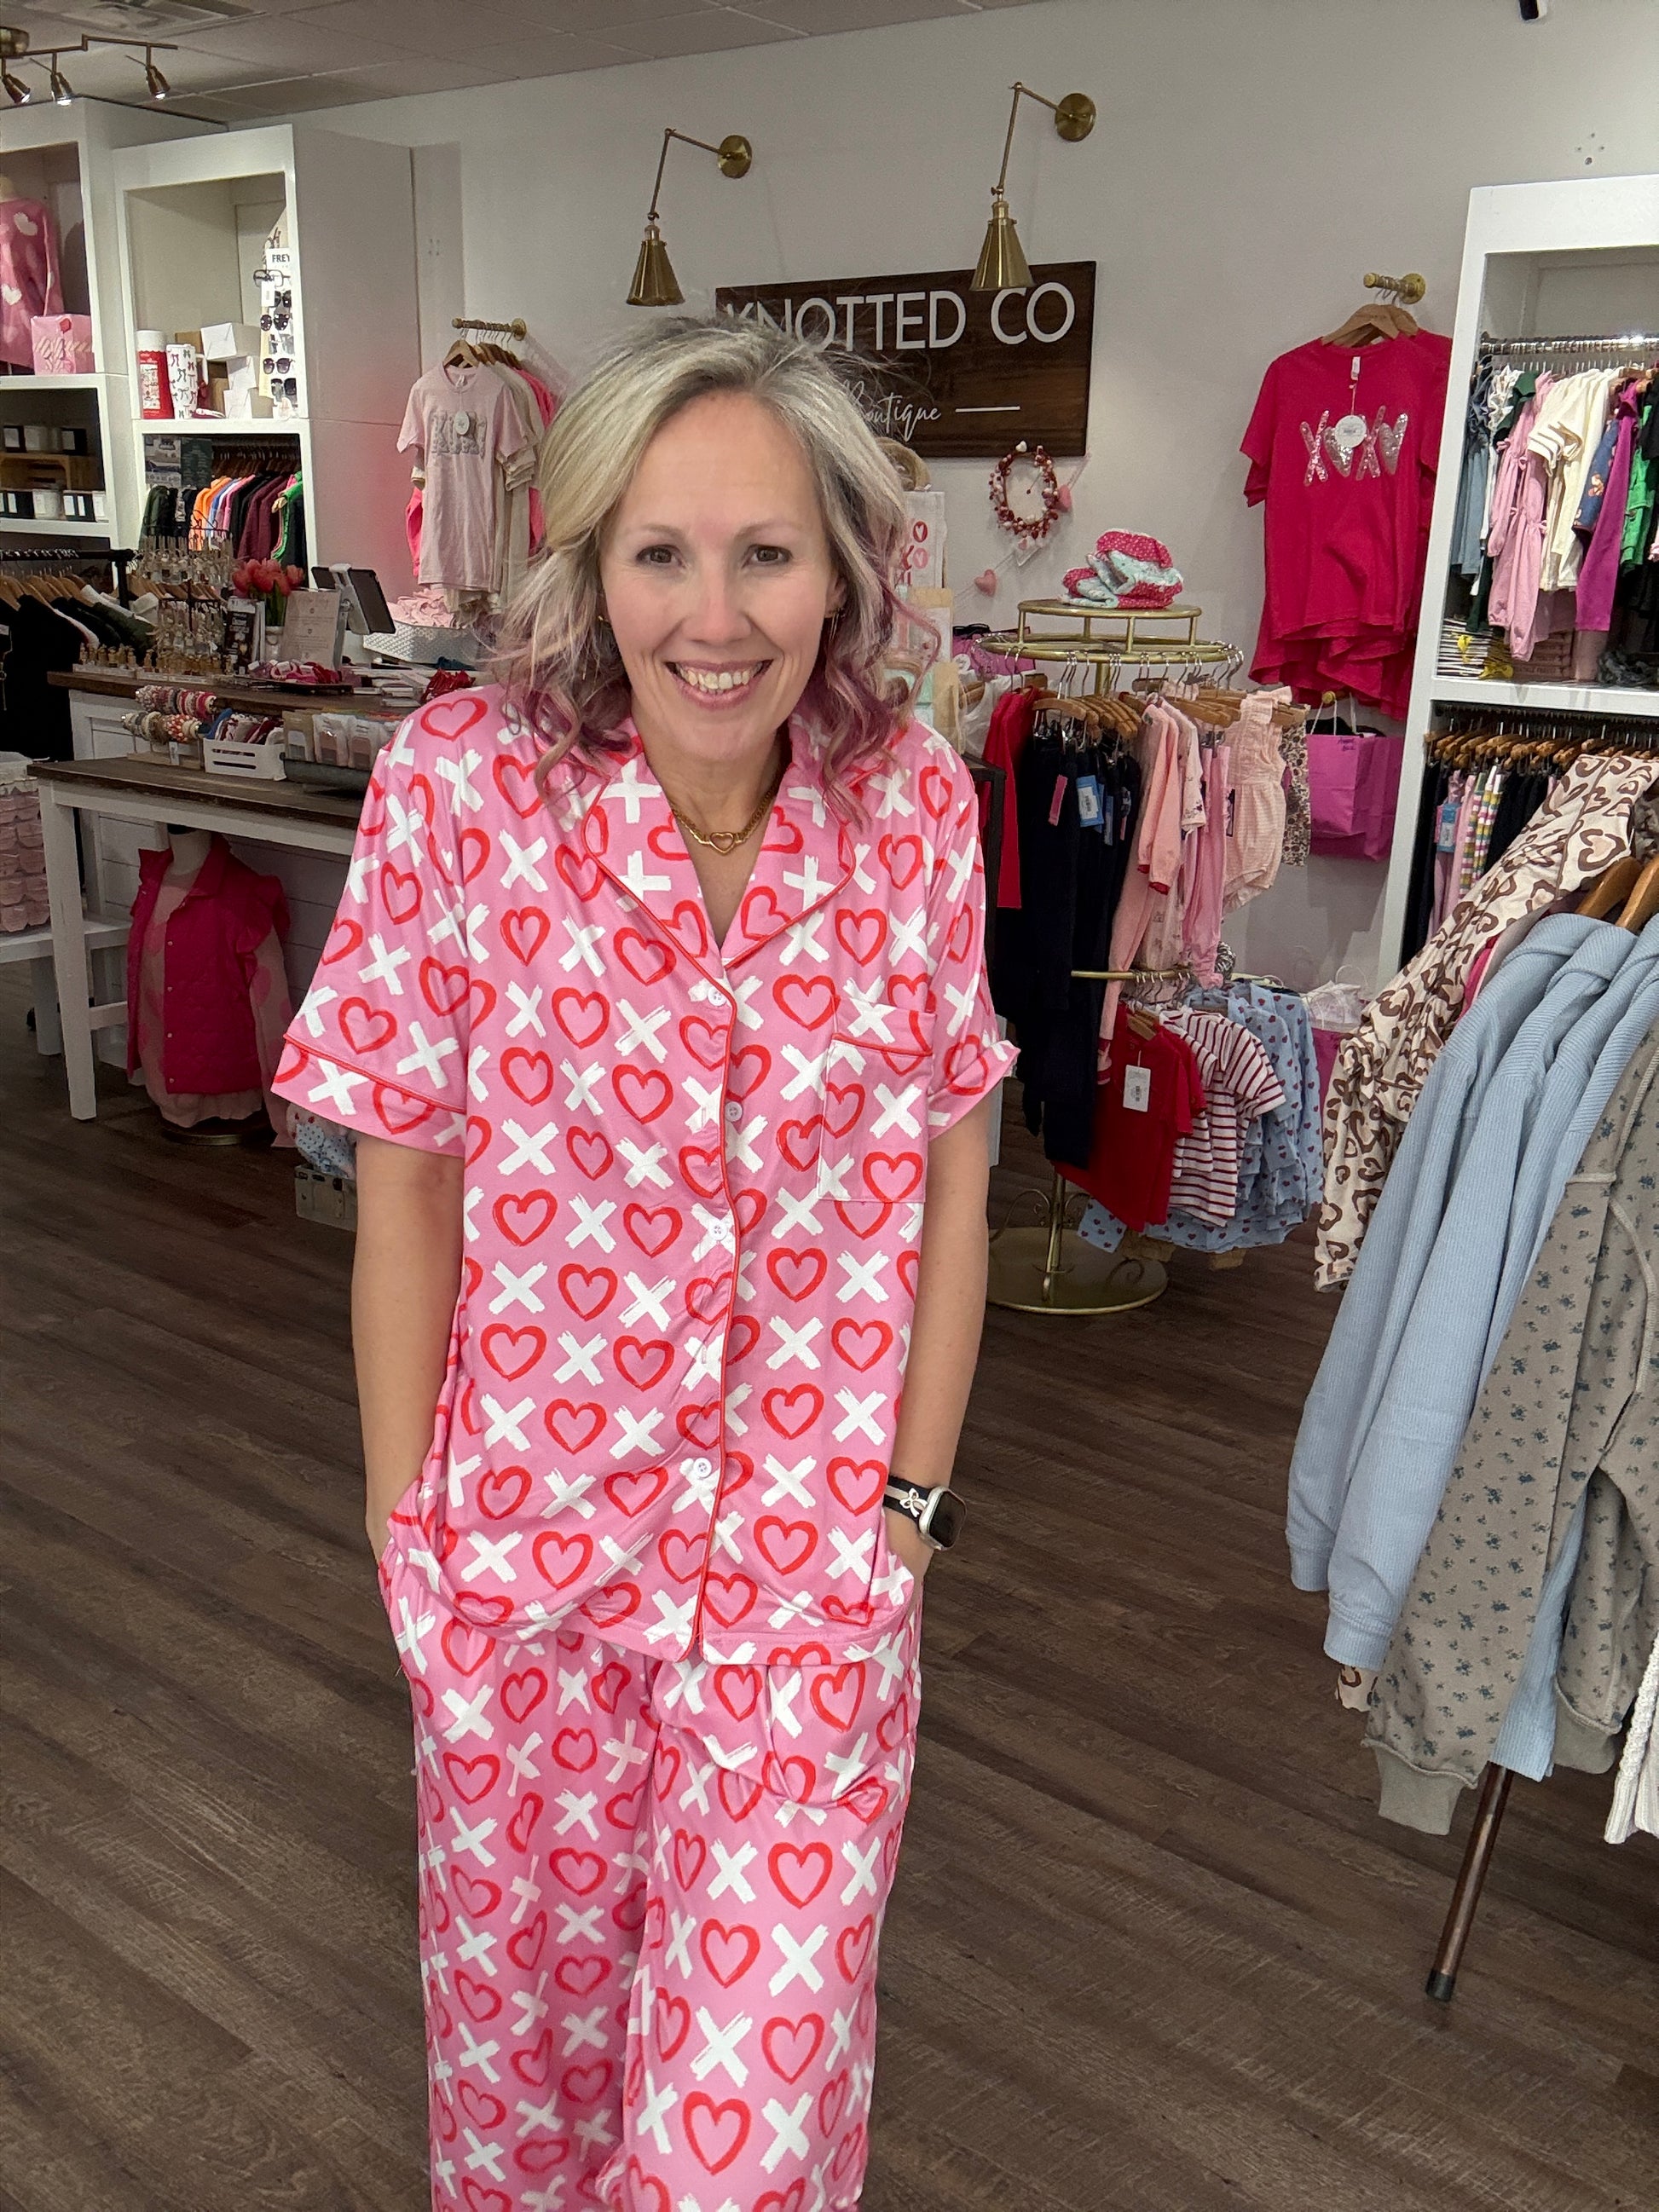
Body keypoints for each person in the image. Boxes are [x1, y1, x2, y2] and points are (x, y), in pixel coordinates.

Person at [273, 313, 1015, 2211]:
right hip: (519, 1575)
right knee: (520, 2114)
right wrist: (408, 1536)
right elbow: (407, 1182)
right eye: (660, 552)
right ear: (590, 563)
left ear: (842, 567)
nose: (715, 616)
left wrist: (910, 1506)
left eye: (765, 552)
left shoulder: (915, 807)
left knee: (736, 2152)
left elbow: (955, 1171)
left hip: (806, 1588)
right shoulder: (458, 787)